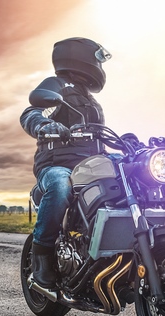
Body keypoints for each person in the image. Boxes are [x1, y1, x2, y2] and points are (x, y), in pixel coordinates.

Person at [20, 37, 111, 289]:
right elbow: (32, 112)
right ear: (81, 56)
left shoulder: (90, 99)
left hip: (90, 168)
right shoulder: (56, 86)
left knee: (128, 181)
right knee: (61, 185)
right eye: (97, 58)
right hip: (57, 166)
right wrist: (44, 125)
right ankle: (43, 259)